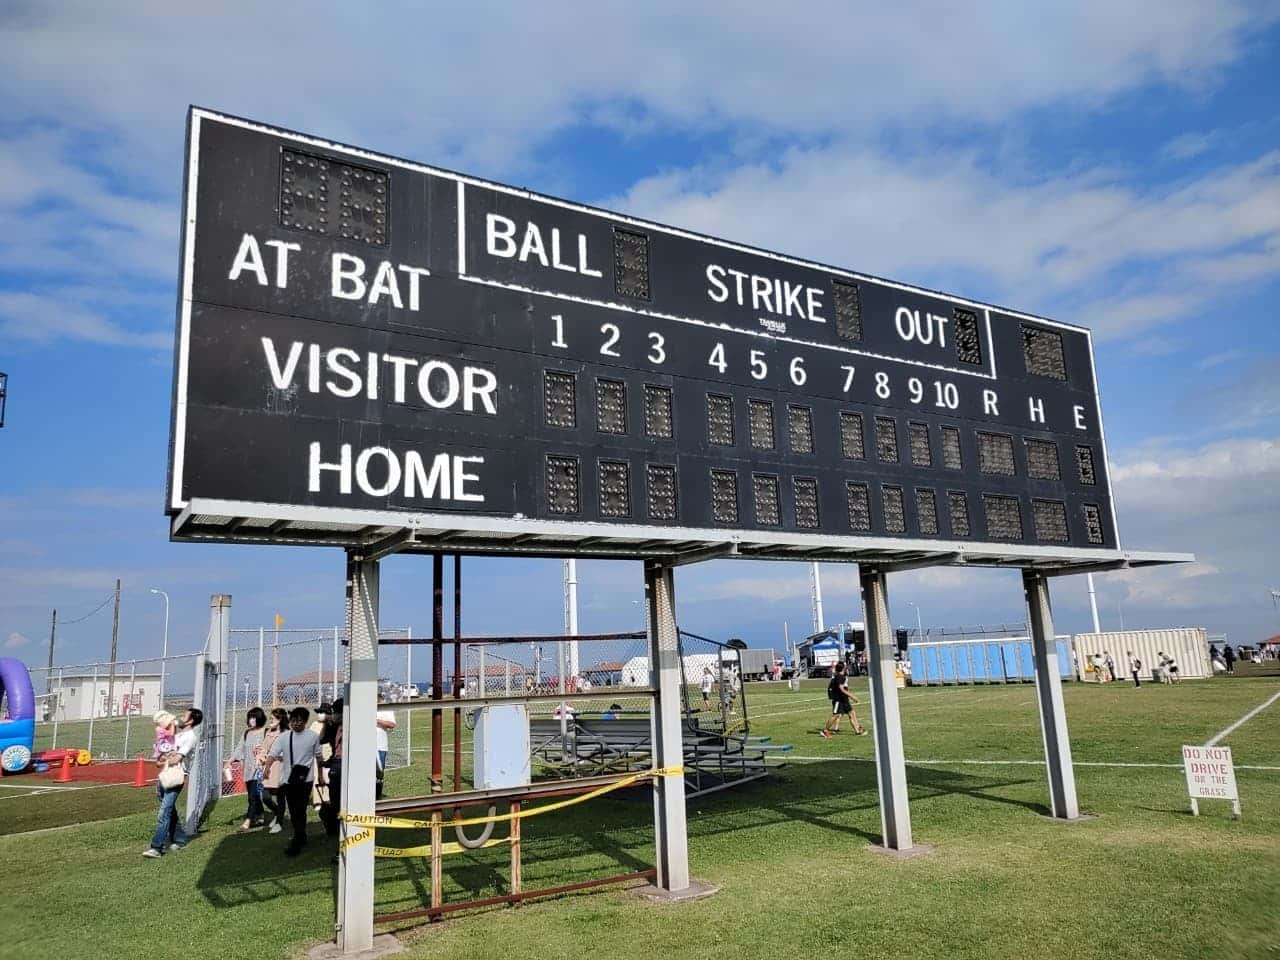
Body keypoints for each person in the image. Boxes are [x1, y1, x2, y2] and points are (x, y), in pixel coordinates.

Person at [264, 706, 325, 856]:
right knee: (293, 809)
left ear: (305, 722)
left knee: (301, 808)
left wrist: (321, 776)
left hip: (306, 780)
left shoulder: (312, 736)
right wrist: (267, 767)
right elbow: (273, 753)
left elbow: (319, 757)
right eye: (294, 720)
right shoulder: (284, 737)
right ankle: (300, 834)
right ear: (290, 721)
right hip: (288, 780)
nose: (296, 724)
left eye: (300, 721)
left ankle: (298, 837)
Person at [143, 707, 202, 858]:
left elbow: (177, 758)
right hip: (166, 774)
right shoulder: (178, 735)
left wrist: (166, 758)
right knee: (169, 810)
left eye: (185, 715)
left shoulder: (190, 737)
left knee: (164, 812)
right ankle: (180, 839)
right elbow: (165, 753)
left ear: (191, 720)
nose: (181, 718)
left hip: (176, 776)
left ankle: (156, 847)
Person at [229, 706, 268, 831]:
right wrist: (230, 761)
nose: (251, 720)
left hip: (260, 769)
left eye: (253, 717)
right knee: (255, 796)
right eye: (250, 717)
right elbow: (239, 748)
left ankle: (248, 821)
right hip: (248, 769)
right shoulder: (246, 733)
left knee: (253, 796)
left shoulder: (266, 732)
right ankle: (262, 815)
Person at [260, 708, 289, 833]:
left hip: (281, 767)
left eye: (273, 718)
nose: (270, 720)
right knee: (265, 796)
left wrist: (278, 756)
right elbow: (264, 748)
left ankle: (279, 823)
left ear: (280, 719)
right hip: (268, 767)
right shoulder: (268, 732)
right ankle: (278, 813)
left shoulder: (286, 733)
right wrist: (261, 756)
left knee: (281, 795)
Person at [820, 662, 865, 738]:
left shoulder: (840, 676)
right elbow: (841, 689)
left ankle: (857, 731)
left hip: (844, 700)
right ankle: (825, 730)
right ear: (843, 668)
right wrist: (852, 696)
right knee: (836, 715)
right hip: (839, 700)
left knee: (852, 713)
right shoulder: (839, 677)